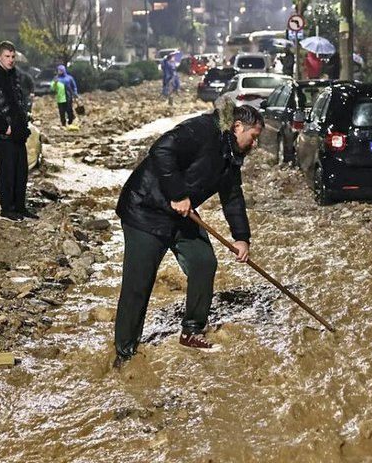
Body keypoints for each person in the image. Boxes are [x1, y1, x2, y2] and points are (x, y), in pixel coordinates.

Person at [112, 97, 264, 368]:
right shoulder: (202, 130)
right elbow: (160, 150)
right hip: (145, 210)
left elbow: (232, 197)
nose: (256, 144)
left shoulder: (231, 156)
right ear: (238, 126)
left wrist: (242, 237)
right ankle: (125, 351)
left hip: (180, 215)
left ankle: (191, 331)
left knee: (204, 262)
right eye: (254, 137)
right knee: (139, 284)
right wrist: (178, 194)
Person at [0, 41, 38, 221]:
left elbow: (18, 102)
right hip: (4, 135)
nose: (11, 60)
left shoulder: (13, 76)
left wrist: (23, 120)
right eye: (7, 56)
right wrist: (4, 127)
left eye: (13, 57)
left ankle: (20, 207)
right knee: (7, 173)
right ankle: (8, 208)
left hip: (18, 133)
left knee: (21, 172)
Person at [54, 64, 78, 129]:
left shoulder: (69, 78)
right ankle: (63, 124)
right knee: (61, 111)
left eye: (61, 70)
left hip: (68, 96)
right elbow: (53, 88)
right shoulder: (57, 78)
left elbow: (74, 86)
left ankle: (70, 121)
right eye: (58, 70)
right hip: (60, 97)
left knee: (69, 109)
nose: (59, 71)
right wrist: (55, 83)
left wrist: (75, 94)